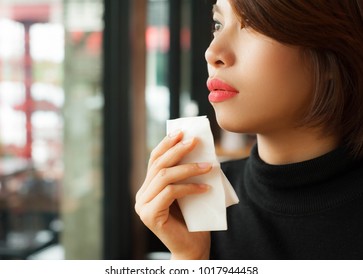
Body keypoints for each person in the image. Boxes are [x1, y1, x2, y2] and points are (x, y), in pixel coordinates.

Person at [135, 0, 363, 259]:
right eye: (218, 24)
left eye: (253, 24)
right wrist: (190, 260)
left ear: (334, 50)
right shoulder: (203, 204)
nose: (212, 52)